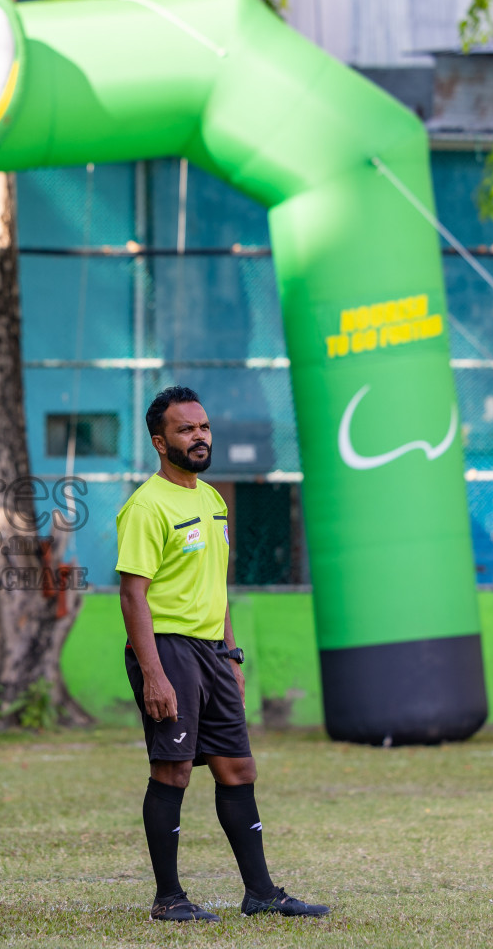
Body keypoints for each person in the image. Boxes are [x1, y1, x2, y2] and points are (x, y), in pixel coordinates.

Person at [116, 386, 329, 923]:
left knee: (238, 768)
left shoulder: (212, 500)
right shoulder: (146, 506)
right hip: (168, 650)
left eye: (204, 427)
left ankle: (261, 893)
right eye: (187, 430)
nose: (200, 436)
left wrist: (230, 655)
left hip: (213, 653)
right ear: (161, 442)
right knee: (174, 772)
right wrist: (154, 675)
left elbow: (217, 585)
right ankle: (169, 899)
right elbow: (132, 594)